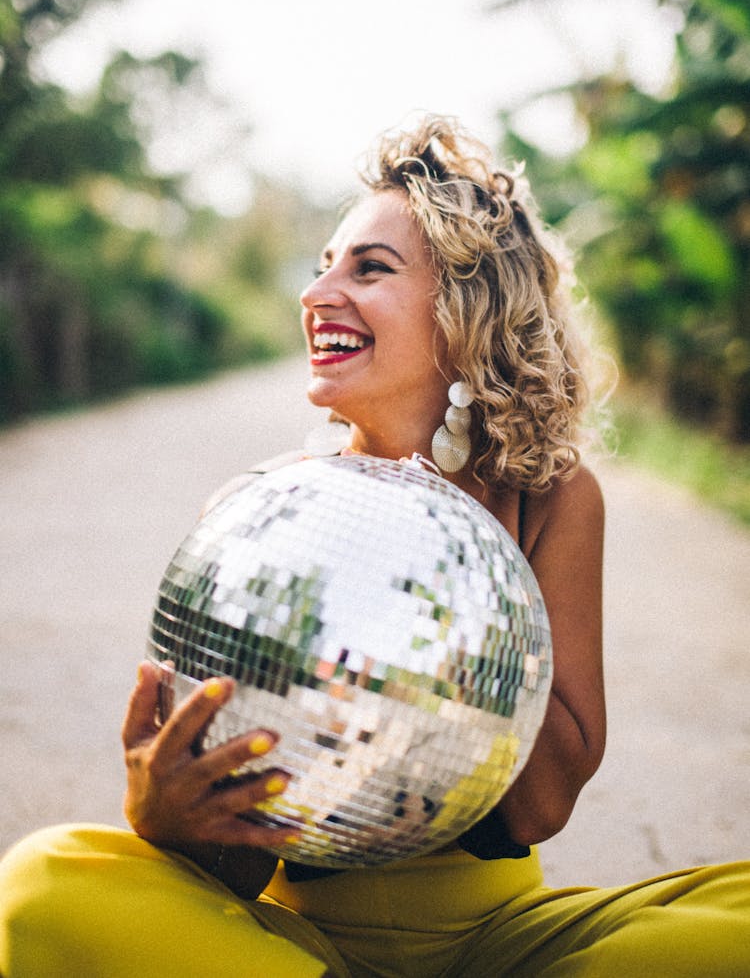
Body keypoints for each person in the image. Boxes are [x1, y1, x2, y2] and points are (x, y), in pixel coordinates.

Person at [0, 115, 747, 977]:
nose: (319, 295)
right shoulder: (259, 514)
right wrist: (166, 819)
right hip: (299, 944)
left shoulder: (550, 497)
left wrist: (472, 560)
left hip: (498, 943)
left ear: (467, 308)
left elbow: (541, 804)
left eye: (369, 268)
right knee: (39, 885)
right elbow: (243, 861)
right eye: (321, 268)